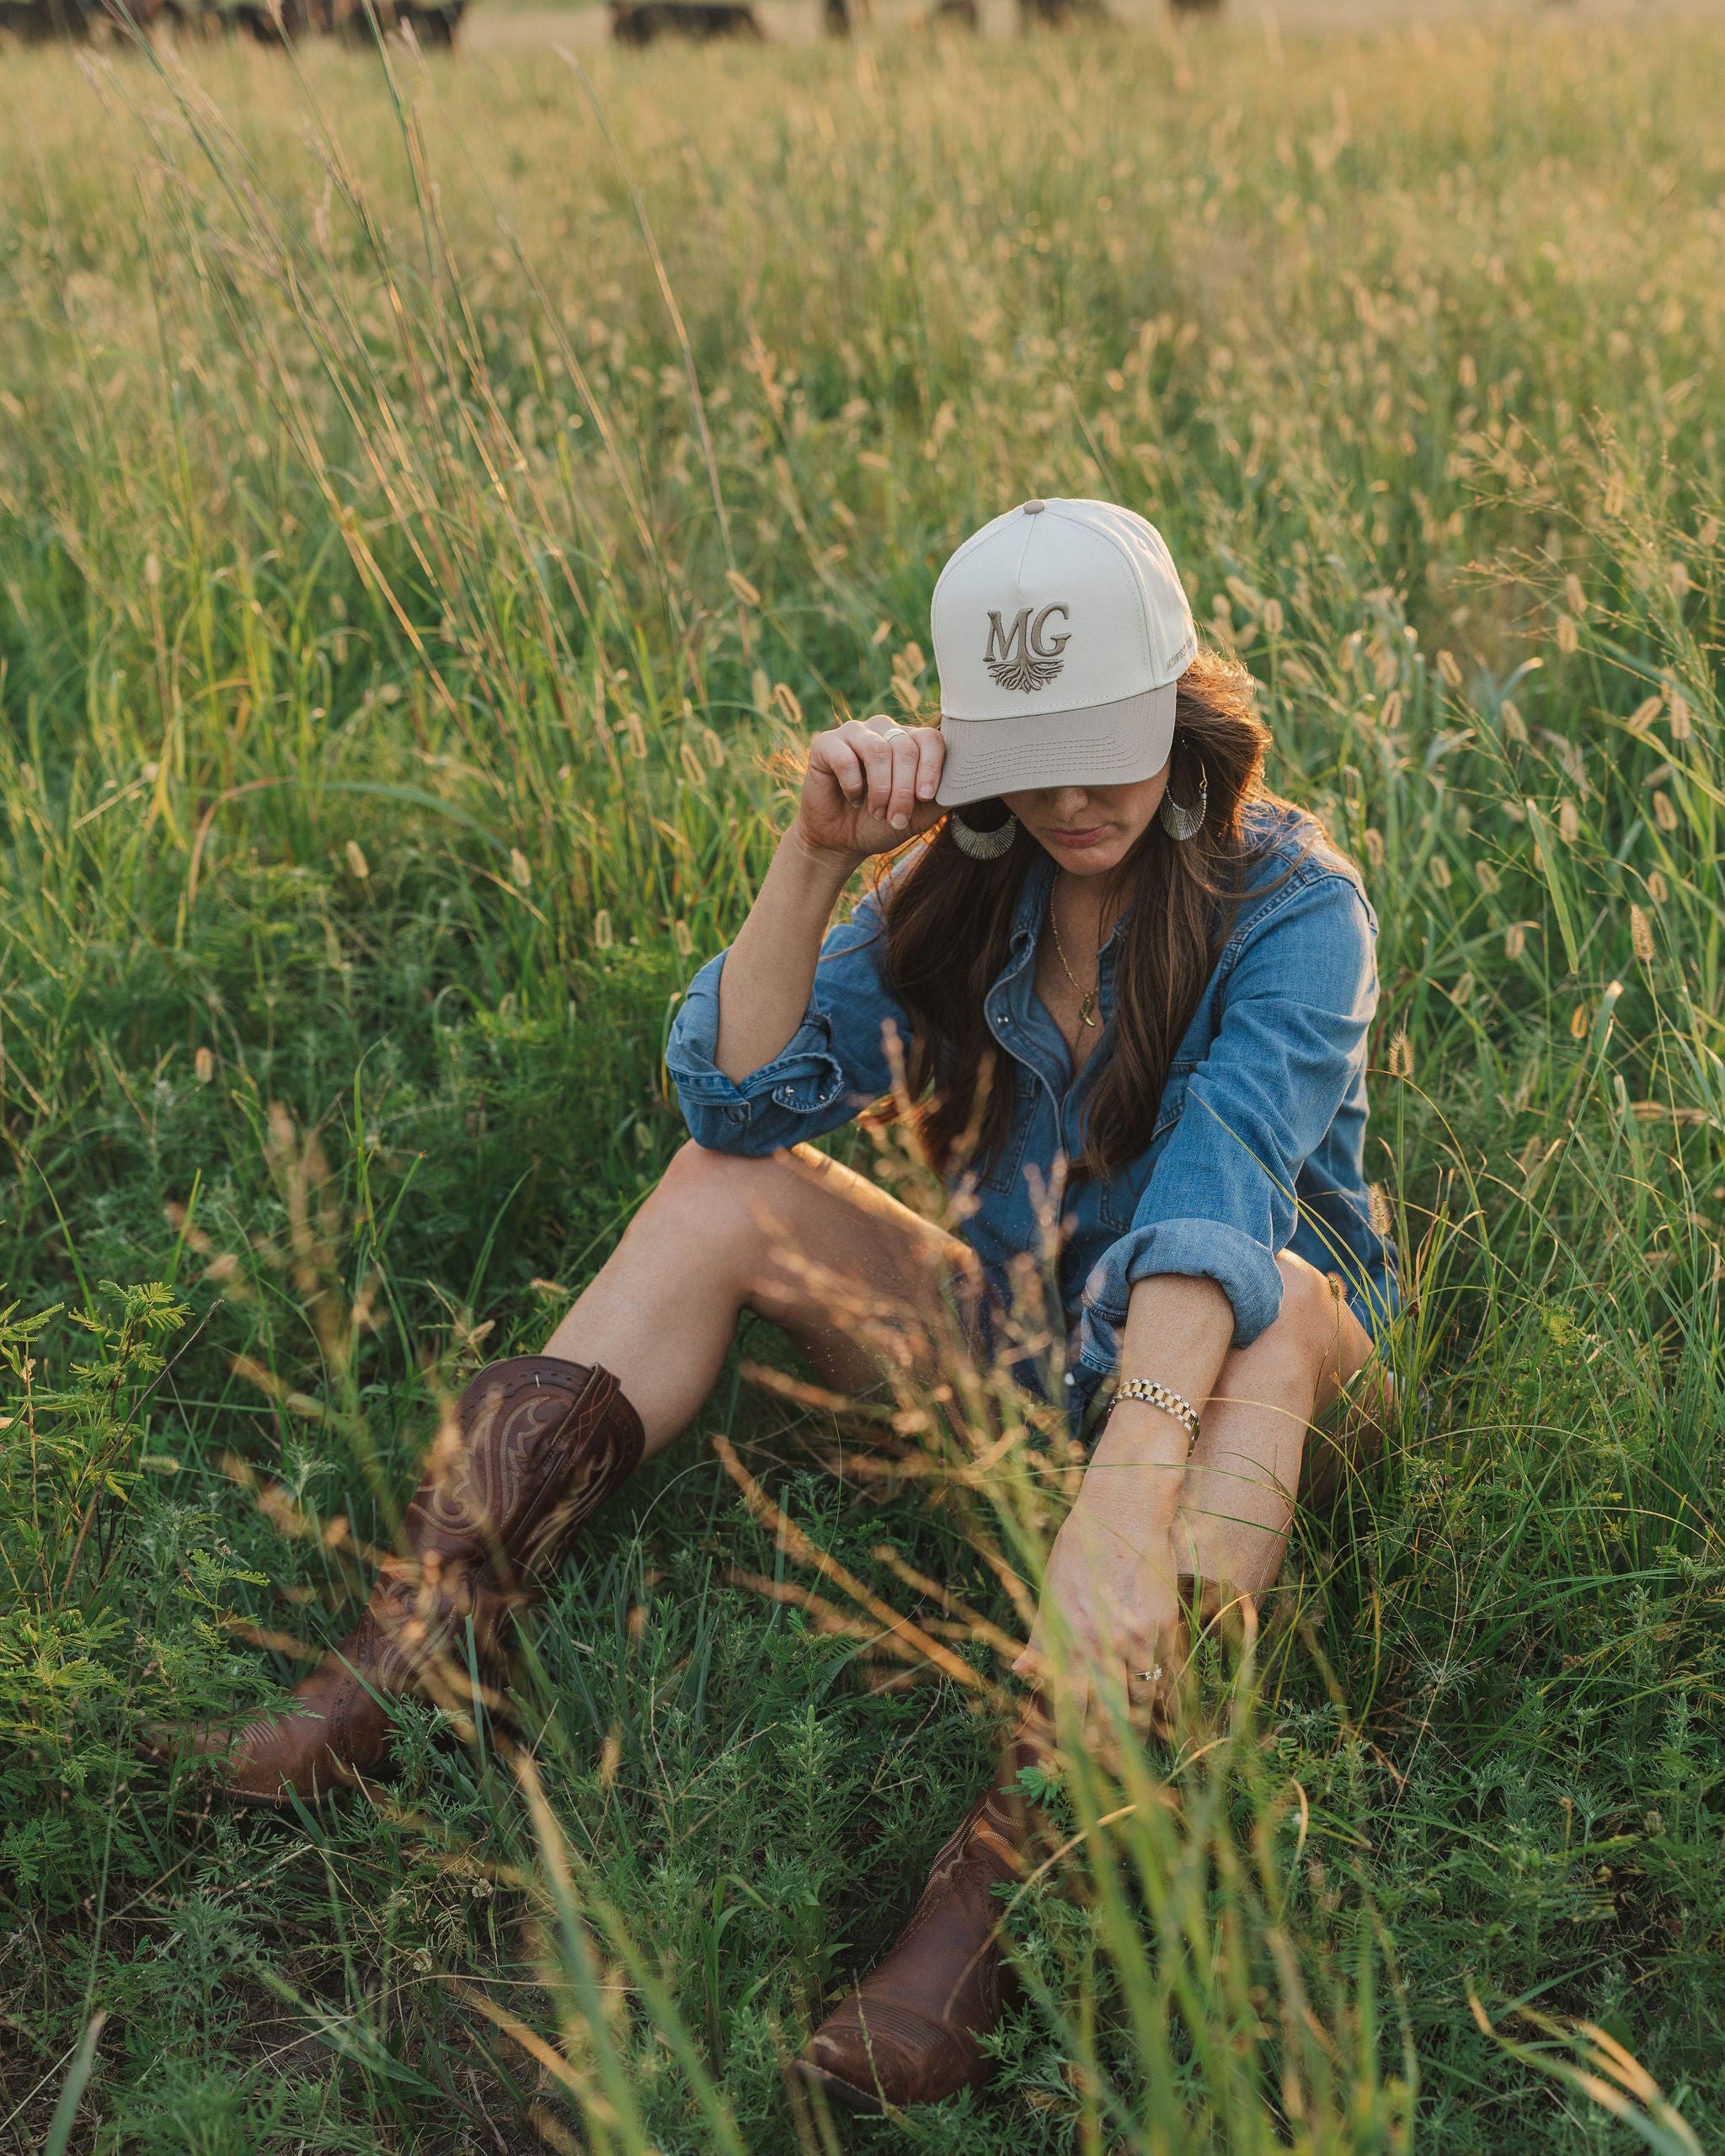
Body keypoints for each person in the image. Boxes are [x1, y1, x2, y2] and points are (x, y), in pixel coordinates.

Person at [162, 499, 1397, 2114]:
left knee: (1281, 1303)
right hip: (1027, 1339)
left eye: (1112, 743)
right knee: (719, 1192)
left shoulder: (1297, 907)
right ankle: (425, 1640)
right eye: (1033, 752)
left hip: (1253, 1381)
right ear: (964, 747)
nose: (1079, 795)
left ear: (1181, 707)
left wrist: (1126, 1483)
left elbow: (1217, 1201)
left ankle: (1017, 1877)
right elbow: (740, 1106)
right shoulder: (970, 883)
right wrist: (815, 860)